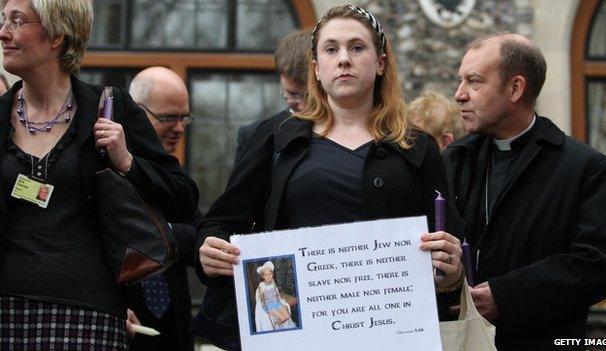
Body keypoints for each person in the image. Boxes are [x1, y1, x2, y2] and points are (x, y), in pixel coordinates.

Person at [194, 5, 464, 349]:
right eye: (331, 49)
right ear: (316, 68)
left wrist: (451, 270)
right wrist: (210, 249)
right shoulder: (276, 139)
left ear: (381, 63)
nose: (344, 59)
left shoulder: (417, 148)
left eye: (357, 47)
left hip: (391, 334)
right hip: (297, 337)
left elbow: (450, 244)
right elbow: (220, 223)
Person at [0, 1, 198, 350]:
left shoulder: (109, 107)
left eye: (17, 21)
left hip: (90, 315)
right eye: (4, 20)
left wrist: (127, 161)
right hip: (6, 309)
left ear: (57, 34)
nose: (3, 33)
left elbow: (183, 198)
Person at [444, 33, 606, 350]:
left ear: (515, 88)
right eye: (461, 81)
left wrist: (506, 296)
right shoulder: (453, 161)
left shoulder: (583, 167)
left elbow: (598, 266)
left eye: (473, 82)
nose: (459, 95)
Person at [126, 66, 198, 351]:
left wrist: (159, 233)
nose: (179, 128)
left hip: (174, 329)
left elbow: (197, 237)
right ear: (135, 111)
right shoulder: (103, 171)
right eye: (168, 118)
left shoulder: (175, 177)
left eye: (184, 118)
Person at [234, 29, 310, 162]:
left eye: (309, 95)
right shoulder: (254, 137)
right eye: (293, 94)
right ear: (280, 80)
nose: (303, 106)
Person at [254, 261, 296, 332]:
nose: (268, 276)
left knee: (287, 316)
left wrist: (281, 301)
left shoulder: (273, 282)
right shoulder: (262, 286)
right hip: (269, 305)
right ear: (263, 276)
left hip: (276, 303)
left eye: (270, 274)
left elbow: (276, 293)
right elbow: (260, 299)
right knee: (283, 318)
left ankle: (279, 325)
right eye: (266, 275)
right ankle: (276, 325)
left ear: (272, 274)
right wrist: (264, 307)